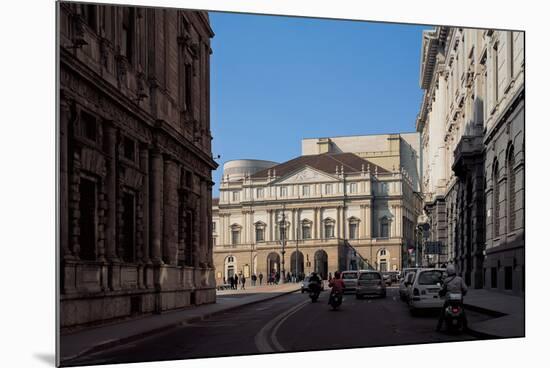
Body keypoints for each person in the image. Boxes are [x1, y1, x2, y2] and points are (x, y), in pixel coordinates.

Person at [436, 264, 468, 331]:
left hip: (449, 300)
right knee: (463, 312)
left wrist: (441, 293)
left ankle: (438, 327)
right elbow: (465, 289)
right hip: (459, 299)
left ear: (448, 272)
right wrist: (463, 293)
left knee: (443, 312)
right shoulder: (460, 279)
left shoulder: (446, 280)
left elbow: (443, 289)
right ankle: (465, 326)